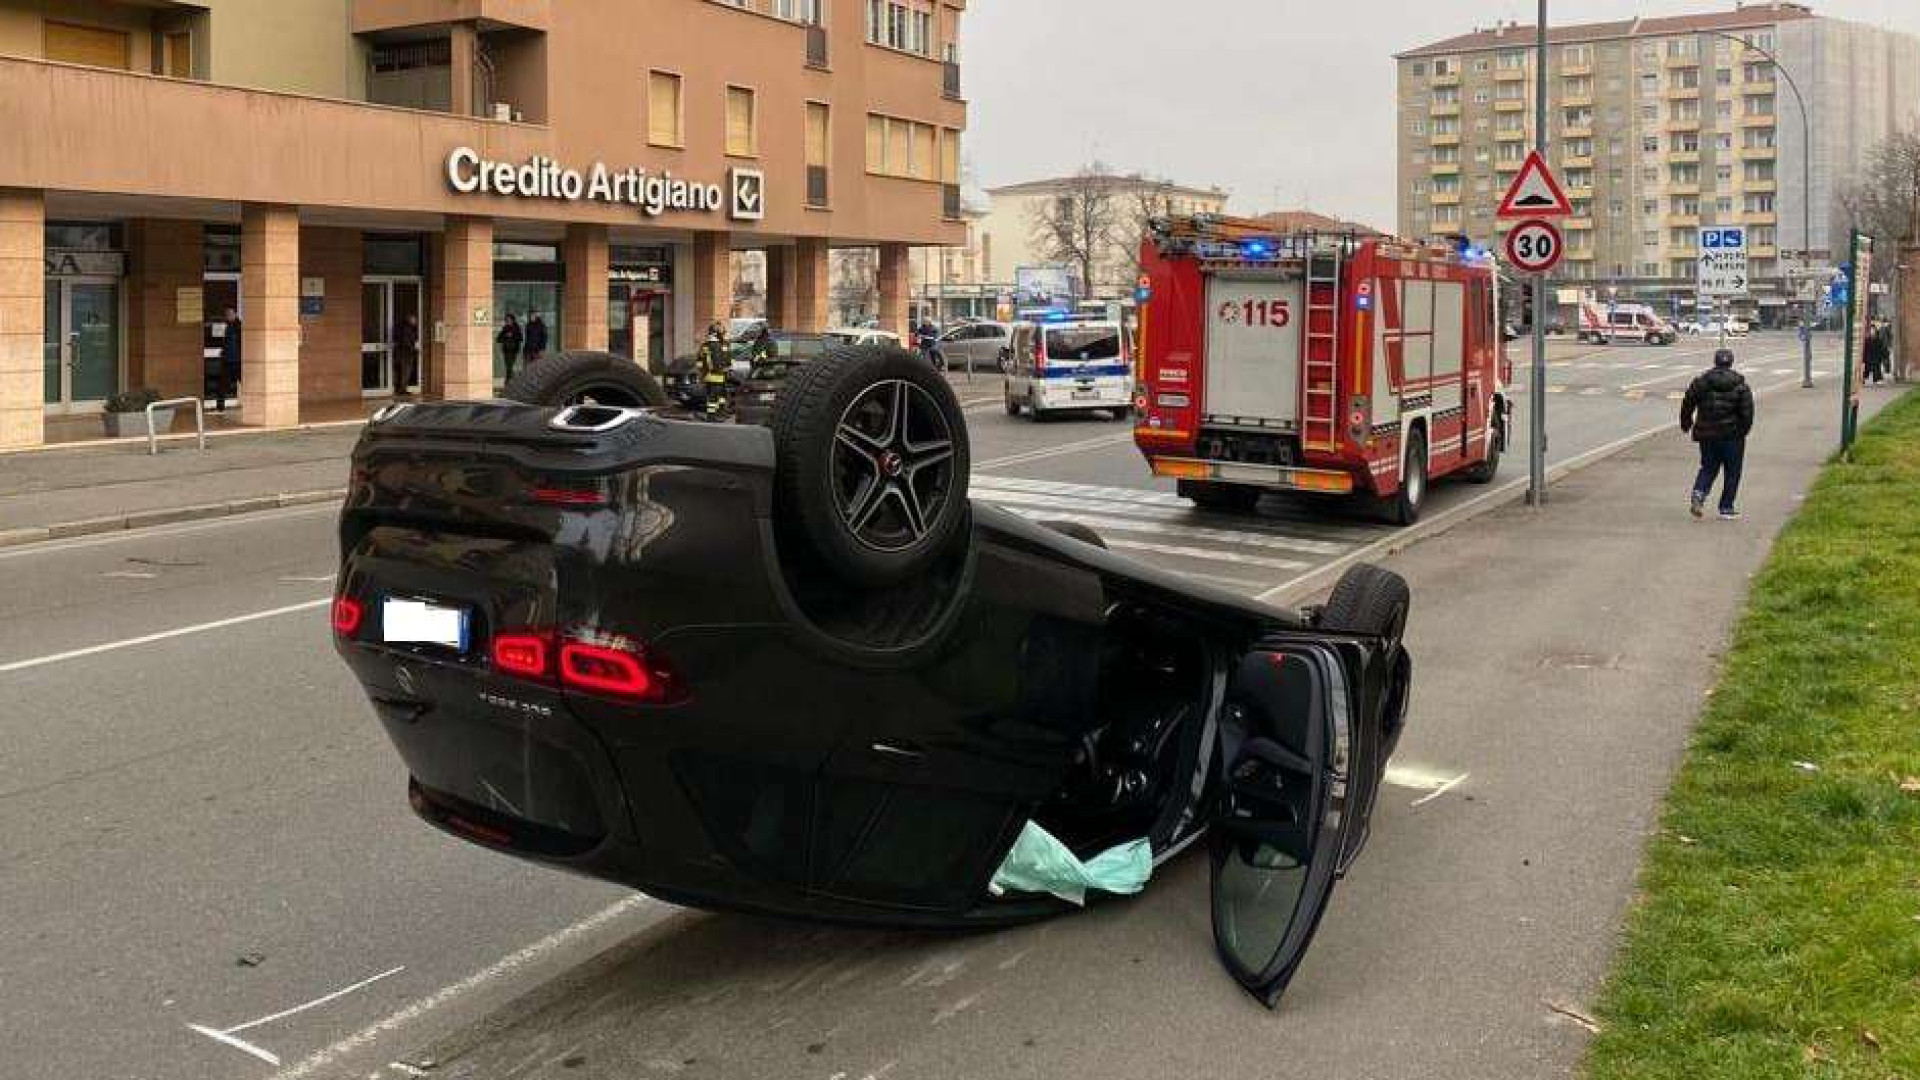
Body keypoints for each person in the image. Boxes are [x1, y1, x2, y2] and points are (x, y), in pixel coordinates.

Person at [1680, 347, 1756, 521]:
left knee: (1708, 467)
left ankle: (1699, 493)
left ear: (1715, 362)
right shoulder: (1741, 386)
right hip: (1732, 435)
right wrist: (1742, 431)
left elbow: (1688, 403)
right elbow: (1747, 413)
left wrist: (1686, 422)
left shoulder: (1701, 383)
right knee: (1733, 471)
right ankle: (1726, 507)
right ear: (1731, 362)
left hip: (1707, 433)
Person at [697, 322, 731, 417]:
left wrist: (703, 372)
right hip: (716, 375)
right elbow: (716, 361)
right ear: (716, 333)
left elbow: (700, 360)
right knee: (714, 397)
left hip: (713, 375)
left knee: (721, 395)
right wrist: (723, 369)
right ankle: (712, 415)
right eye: (721, 332)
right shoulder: (715, 345)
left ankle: (720, 412)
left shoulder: (706, 345)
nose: (723, 334)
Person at [215, 306, 242, 413]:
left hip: (238, 361)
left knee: (247, 383)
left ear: (235, 314)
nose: (228, 316)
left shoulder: (240, 326)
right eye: (227, 314)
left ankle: (255, 405)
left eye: (230, 314)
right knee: (222, 385)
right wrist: (223, 353)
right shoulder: (226, 326)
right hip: (227, 361)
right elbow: (225, 342)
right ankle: (220, 407)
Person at [395, 312, 420, 393]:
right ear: (409, 320)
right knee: (405, 371)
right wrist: (413, 349)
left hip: (404, 352)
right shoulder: (407, 329)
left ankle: (401, 388)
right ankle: (402, 389)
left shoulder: (405, 328)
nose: (415, 321)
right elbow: (406, 342)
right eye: (414, 319)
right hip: (406, 353)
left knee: (403, 371)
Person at [496, 314, 524, 381]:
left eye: (509, 320)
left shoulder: (517, 328)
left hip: (514, 350)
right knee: (508, 366)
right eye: (506, 320)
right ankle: (510, 379)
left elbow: (520, 338)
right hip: (506, 350)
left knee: (509, 366)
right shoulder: (505, 328)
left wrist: (512, 335)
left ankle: (509, 380)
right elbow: (498, 339)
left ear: (512, 320)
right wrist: (506, 336)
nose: (508, 321)